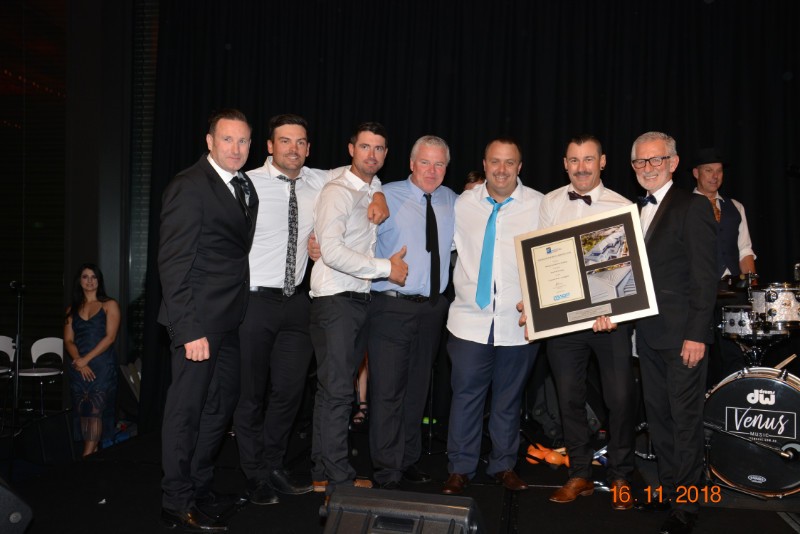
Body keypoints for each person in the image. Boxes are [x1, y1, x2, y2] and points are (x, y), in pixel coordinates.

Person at [232, 114, 388, 504]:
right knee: (250, 394)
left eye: (301, 142)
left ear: (309, 148)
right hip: (252, 300)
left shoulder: (317, 179)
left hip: (296, 302)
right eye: (285, 141)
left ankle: (273, 465)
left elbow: (364, 170)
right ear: (270, 146)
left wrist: (379, 194)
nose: (294, 149)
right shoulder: (246, 183)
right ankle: (253, 474)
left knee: (288, 393)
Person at [158, 108, 259, 532]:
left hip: (230, 319)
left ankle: (198, 485)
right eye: (227, 139)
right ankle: (175, 500)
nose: (235, 148)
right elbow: (173, 263)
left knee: (220, 406)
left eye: (243, 140)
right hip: (198, 322)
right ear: (210, 141)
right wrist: (189, 329)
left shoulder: (244, 185)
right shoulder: (189, 186)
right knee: (186, 411)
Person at [308, 122, 408, 495]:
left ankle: (322, 472)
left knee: (331, 390)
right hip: (336, 300)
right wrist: (386, 268)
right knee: (338, 392)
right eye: (365, 146)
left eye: (379, 148)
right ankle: (339, 479)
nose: (372, 154)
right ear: (351, 149)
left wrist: (377, 191)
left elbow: (369, 180)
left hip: (352, 301)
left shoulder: (368, 188)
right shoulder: (337, 192)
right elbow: (332, 252)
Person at [539, 135, 636, 509]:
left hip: (610, 323)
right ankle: (579, 473)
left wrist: (615, 311)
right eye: (574, 160)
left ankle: (621, 475)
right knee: (569, 398)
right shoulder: (550, 203)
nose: (581, 168)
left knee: (620, 398)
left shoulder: (622, 207)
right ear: (565, 164)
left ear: (603, 161)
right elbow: (543, 261)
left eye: (589, 159)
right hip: (564, 323)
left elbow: (628, 274)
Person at [442, 137, 542, 495]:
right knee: (465, 396)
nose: (502, 169)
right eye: (495, 162)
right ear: (484, 165)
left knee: (508, 399)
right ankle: (460, 468)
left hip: (519, 323)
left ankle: (503, 465)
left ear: (520, 167)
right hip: (468, 320)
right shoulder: (462, 204)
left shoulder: (540, 205)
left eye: (509, 162)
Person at [631, 132, 717, 534]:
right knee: (659, 418)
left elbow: (704, 278)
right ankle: (667, 490)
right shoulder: (633, 211)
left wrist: (697, 334)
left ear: (674, 163)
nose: (648, 168)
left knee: (685, 421)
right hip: (647, 335)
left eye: (656, 160)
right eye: (640, 161)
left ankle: (686, 505)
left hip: (684, 337)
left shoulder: (693, 206)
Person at [368, 135, 458, 489]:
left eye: (439, 164)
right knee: (388, 391)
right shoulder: (384, 195)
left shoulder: (452, 200)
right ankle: (386, 470)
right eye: (425, 162)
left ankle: (407, 460)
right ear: (411, 163)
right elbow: (352, 234)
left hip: (432, 309)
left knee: (418, 389)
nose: (431, 171)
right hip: (390, 306)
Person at [691, 148, 757, 383]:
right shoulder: (684, 206)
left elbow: (745, 249)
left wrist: (751, 291)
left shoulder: (735, 207)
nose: (715, 176)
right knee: (699, 352)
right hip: (698, 291)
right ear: (696, 173)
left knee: (735, 352)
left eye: (719, 171)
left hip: (732, 291)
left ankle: (733, 396)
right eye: (709, 170)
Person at [64, 263, 120, 458]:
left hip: (101, 367)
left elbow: (110, 338)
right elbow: (68, 340)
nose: (89, 281)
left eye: (93, 277)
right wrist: (79, 361)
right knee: (85, 414)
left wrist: (85, 360)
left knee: (96, 412)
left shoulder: (109, 305)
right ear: (79, 281)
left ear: (99, 280)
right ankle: (93, 464)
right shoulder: (71, 310)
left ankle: (84, 460)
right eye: (85, 277)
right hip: (79, 368)